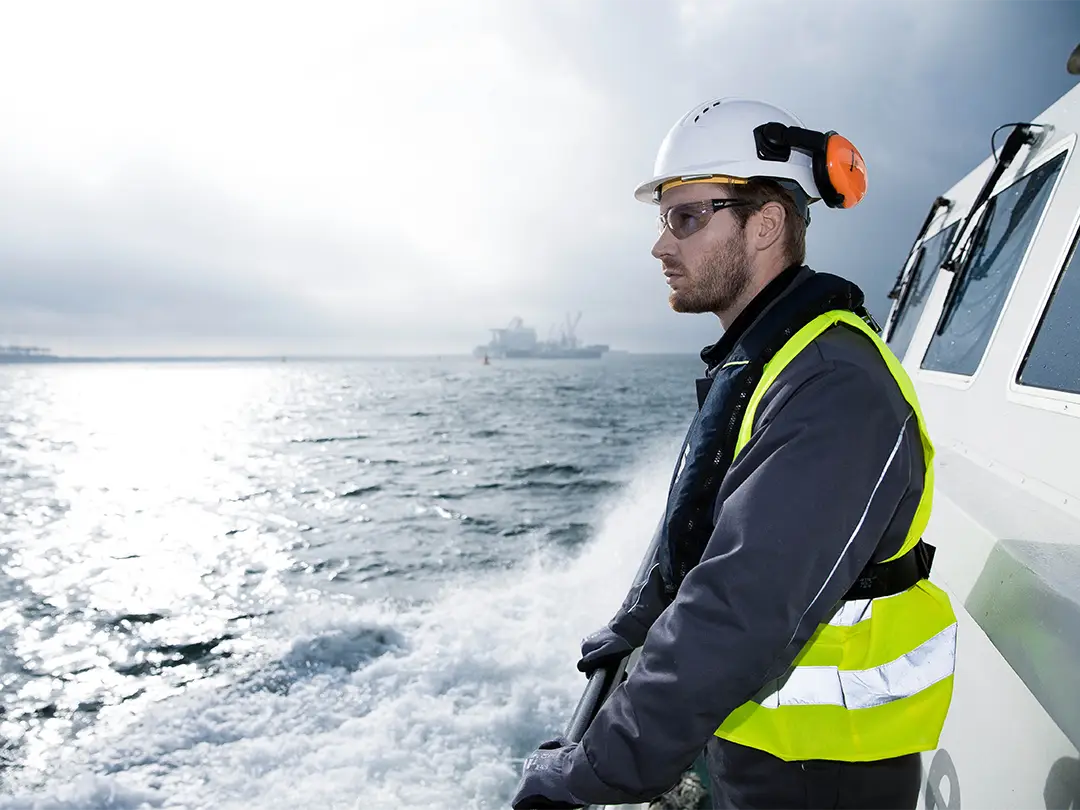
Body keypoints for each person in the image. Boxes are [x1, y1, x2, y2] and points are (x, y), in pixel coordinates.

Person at [510, 97, 958, 810]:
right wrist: (633, 626)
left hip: (823, 776)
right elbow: (706, 529)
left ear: (767, 225)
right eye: (663, 220)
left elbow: (739, 608)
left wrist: (596, 767)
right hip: (759, 748)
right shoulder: (768, 359)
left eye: (686, 218)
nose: (661, 246)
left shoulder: (833, 385)